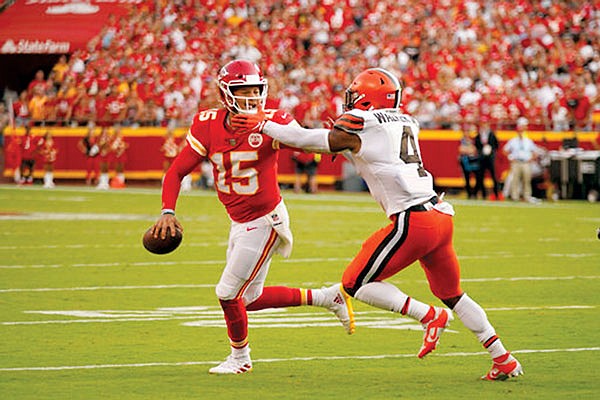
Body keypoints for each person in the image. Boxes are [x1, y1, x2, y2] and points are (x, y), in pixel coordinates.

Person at [233, 67, 523, 381]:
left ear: (368, 100)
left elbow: (309, 139)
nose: (351, 102)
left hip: (414, 220)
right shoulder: (406, 120)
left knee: (354, 283)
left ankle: (427, 316)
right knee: (453, 293)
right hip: (440, 215)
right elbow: (372, 154)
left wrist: (263, 124)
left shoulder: (363, 123)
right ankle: (503, 358)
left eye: (356, 96)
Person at [149, 60, 354, 375]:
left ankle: (240, 358)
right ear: (225, 93)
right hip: (239, 220)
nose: (251, 98)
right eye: (242, 91)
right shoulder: (207, 123)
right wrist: (167, 210)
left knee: (227, 293)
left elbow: (303, 142)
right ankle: (327, 297)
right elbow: (176, 171)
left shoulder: (273, 121)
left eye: (256, 91)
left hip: (265, 220)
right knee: (251, 298)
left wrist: (323, 144)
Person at [503, 118, 539, 202]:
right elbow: (505, 150)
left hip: (526, 162)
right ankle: (515, 196)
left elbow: (535, 152)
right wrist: (510, 157)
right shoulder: (513, 141)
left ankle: (527, 196)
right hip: (516, 162)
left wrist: (531, 159)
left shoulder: (528, 141)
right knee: (515, 180)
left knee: (526, 180)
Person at [474, 120, 502, 200]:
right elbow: (476, 144)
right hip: (482, 158)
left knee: (493, 176)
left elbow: (496, 145)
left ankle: (496, 194)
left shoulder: (492, 134)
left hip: (490, 158)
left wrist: (491, 150)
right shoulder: (479, 135)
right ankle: (482, 194)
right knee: (480, 176)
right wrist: (481, 151)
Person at [458, 126, 479, 199]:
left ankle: (475, 193)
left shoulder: (473, 140)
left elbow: (474, 150)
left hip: (473, 159)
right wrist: (469, 150)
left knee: (476, 176)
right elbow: (461, 150)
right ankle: (469, 193)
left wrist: (468, 150)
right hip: (465, 160)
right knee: (467, 177)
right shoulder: (462, 141)